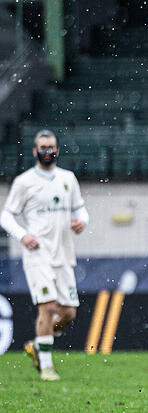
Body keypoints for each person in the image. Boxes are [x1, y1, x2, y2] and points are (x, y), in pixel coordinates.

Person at [1, 130, 89, 381]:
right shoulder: (24, 181)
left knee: (69, 313)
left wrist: (81, 221)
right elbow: (6, 216)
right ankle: (47, 367)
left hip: (63, 254)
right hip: (37, 254)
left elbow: (81, 210)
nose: (47, 151)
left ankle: (38, 346)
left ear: (57, 150)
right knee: (48, 307)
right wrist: (22, 235)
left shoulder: (67, 179)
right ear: (34, 151)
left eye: (51, 146)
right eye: (42, 147)